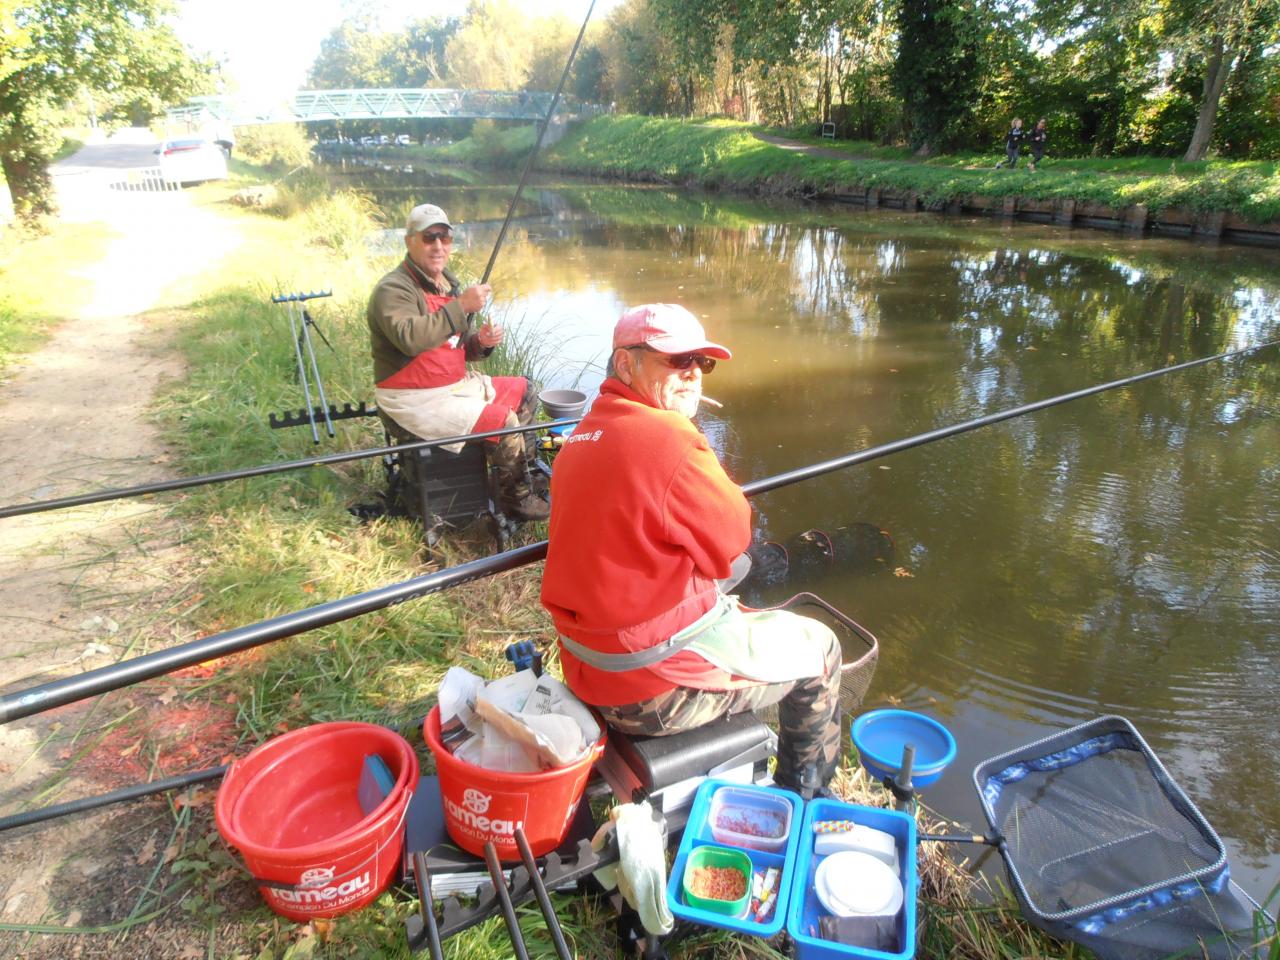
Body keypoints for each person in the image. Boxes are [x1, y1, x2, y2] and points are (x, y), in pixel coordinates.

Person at [540, 304, 845, 795]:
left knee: (729, 575)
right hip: (650, 692)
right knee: (823, 649)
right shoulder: (669, 436)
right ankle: (803, 797)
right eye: (676, 361)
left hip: (585, 666)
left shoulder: (583, 434)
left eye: (702, 364)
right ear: (626, 364)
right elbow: (734, 534)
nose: (692, 375)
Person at [367, 202, 548, 521]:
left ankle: (521, 478)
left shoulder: (447, 285)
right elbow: (410, 338)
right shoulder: (393, 289)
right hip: (414, 399)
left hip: (454, 386)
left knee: (526, 391)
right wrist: (460, 306)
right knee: (503, 421)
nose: (438, 245)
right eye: (429, 237)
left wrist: (482, 342)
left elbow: (458, 346)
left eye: (445, 238)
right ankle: (515, 500)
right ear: (409, 241)